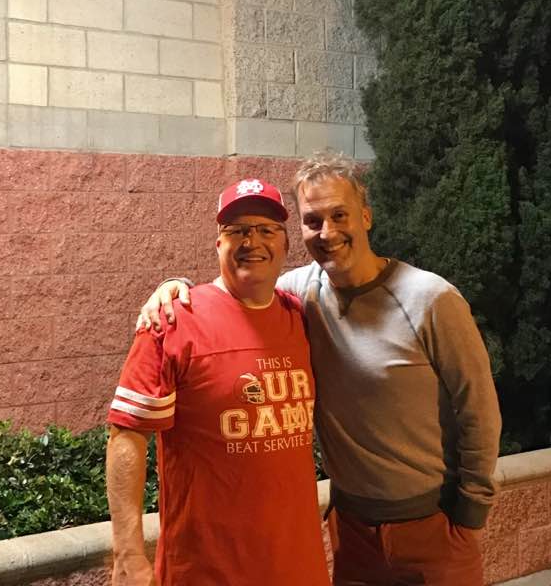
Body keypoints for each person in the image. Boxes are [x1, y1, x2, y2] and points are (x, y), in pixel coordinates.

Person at [139, 153, 502, 586]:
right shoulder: (300, 293)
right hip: (351, 531)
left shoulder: (430, 299)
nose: (327, 232)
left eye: (339, 215)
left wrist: (471, 512)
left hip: (433, 527)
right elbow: (239, 288)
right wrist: (175, 288)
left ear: (365, 217)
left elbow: (478, 407)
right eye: (313, 221)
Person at [106, 178, 331, 586]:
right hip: (205, 571)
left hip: (299, 567)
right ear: (218, 244)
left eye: (266, 230)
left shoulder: (300, 316)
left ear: (285, 244)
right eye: (237, 230)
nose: (252, 241)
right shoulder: (172, 321)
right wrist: (127, 554)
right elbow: (127, 434)